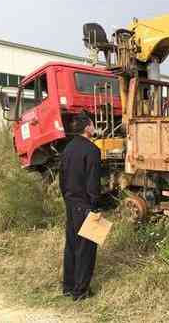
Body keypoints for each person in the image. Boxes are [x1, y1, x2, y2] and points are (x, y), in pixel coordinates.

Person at [59, 112, 102, 301]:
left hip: (70, 203)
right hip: (85, 205)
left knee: (71, 246)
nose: (94, 127)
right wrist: (94, 205)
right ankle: (81, 291)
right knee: (86, 249)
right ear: (87, 128)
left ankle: (68, 286)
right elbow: (93, 182)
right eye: (93, 124)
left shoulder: (67, 149)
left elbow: (62, 178)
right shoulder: (92, 150)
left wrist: (67, 199)